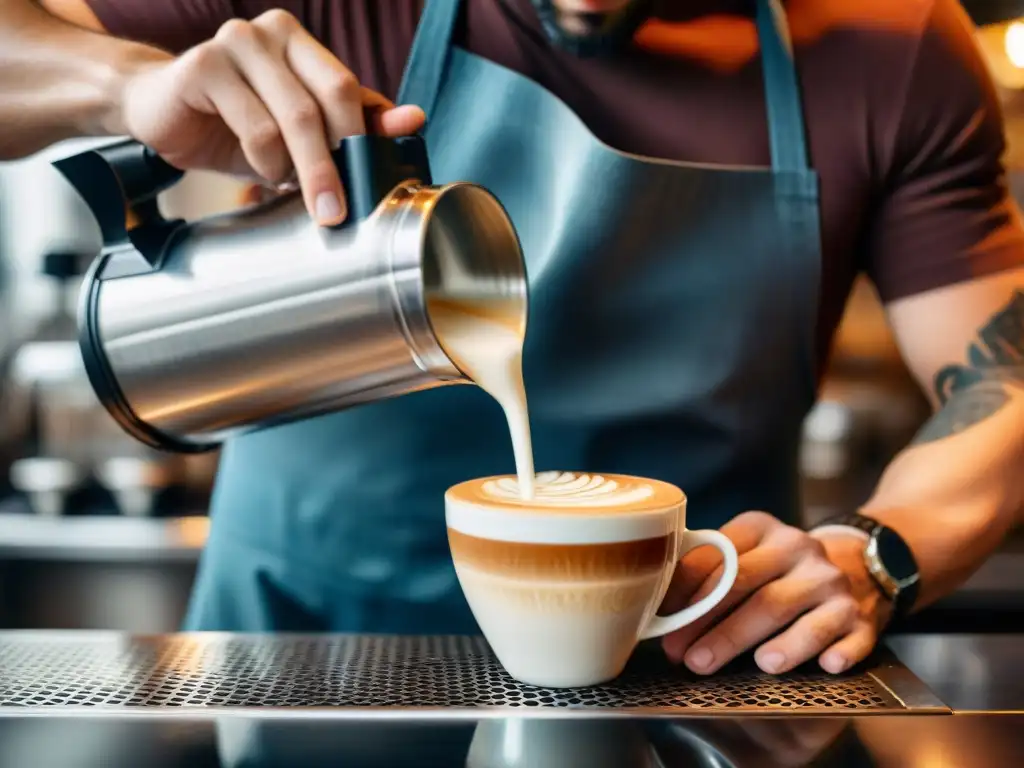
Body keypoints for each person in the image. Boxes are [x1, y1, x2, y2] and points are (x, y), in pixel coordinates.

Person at [2, 0, 1022, 678]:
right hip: (304, 669)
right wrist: (124, 84)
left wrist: (876, 552)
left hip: (698, 679)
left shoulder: (890, 45)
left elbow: (1004, 375)